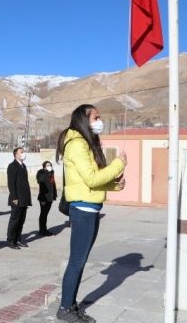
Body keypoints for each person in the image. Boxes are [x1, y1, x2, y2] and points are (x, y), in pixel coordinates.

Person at [55, 104, 127, 323]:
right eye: (96, 117)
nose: (99, 121)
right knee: (77, 260)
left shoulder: (85, 143)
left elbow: (92, 179)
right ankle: (65, 307)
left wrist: (114, 185)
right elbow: (91, 179)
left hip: (90, 207)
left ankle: (71, 304)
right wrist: (118, 164)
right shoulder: (76, 144)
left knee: (80, 260)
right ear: (84, 119)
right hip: (84, 209)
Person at [6, 147, 32, 249]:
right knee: (15, 220)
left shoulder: (23, 166)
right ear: (16, 155)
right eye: (21, 152)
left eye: (23, 152)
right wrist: (14, 197)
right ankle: (11, 240)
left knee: (21, 220)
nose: (23, 154)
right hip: (16, 198)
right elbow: (11, 183)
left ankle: (18, 238)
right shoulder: (12, 166)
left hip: (24, 198)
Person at [37, 160, 58, 236]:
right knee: (43, 214)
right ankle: (42, 230)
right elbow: (41, 185)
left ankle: (44, 229)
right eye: (48, 165)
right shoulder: (42, 173)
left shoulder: (51, 173)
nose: (50, 166)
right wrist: (42, 199)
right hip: (44, 197)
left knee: (45, 214)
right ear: (44, 166)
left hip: (50, 197)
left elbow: (52, 185)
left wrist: (54, 196)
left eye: (50, 165)